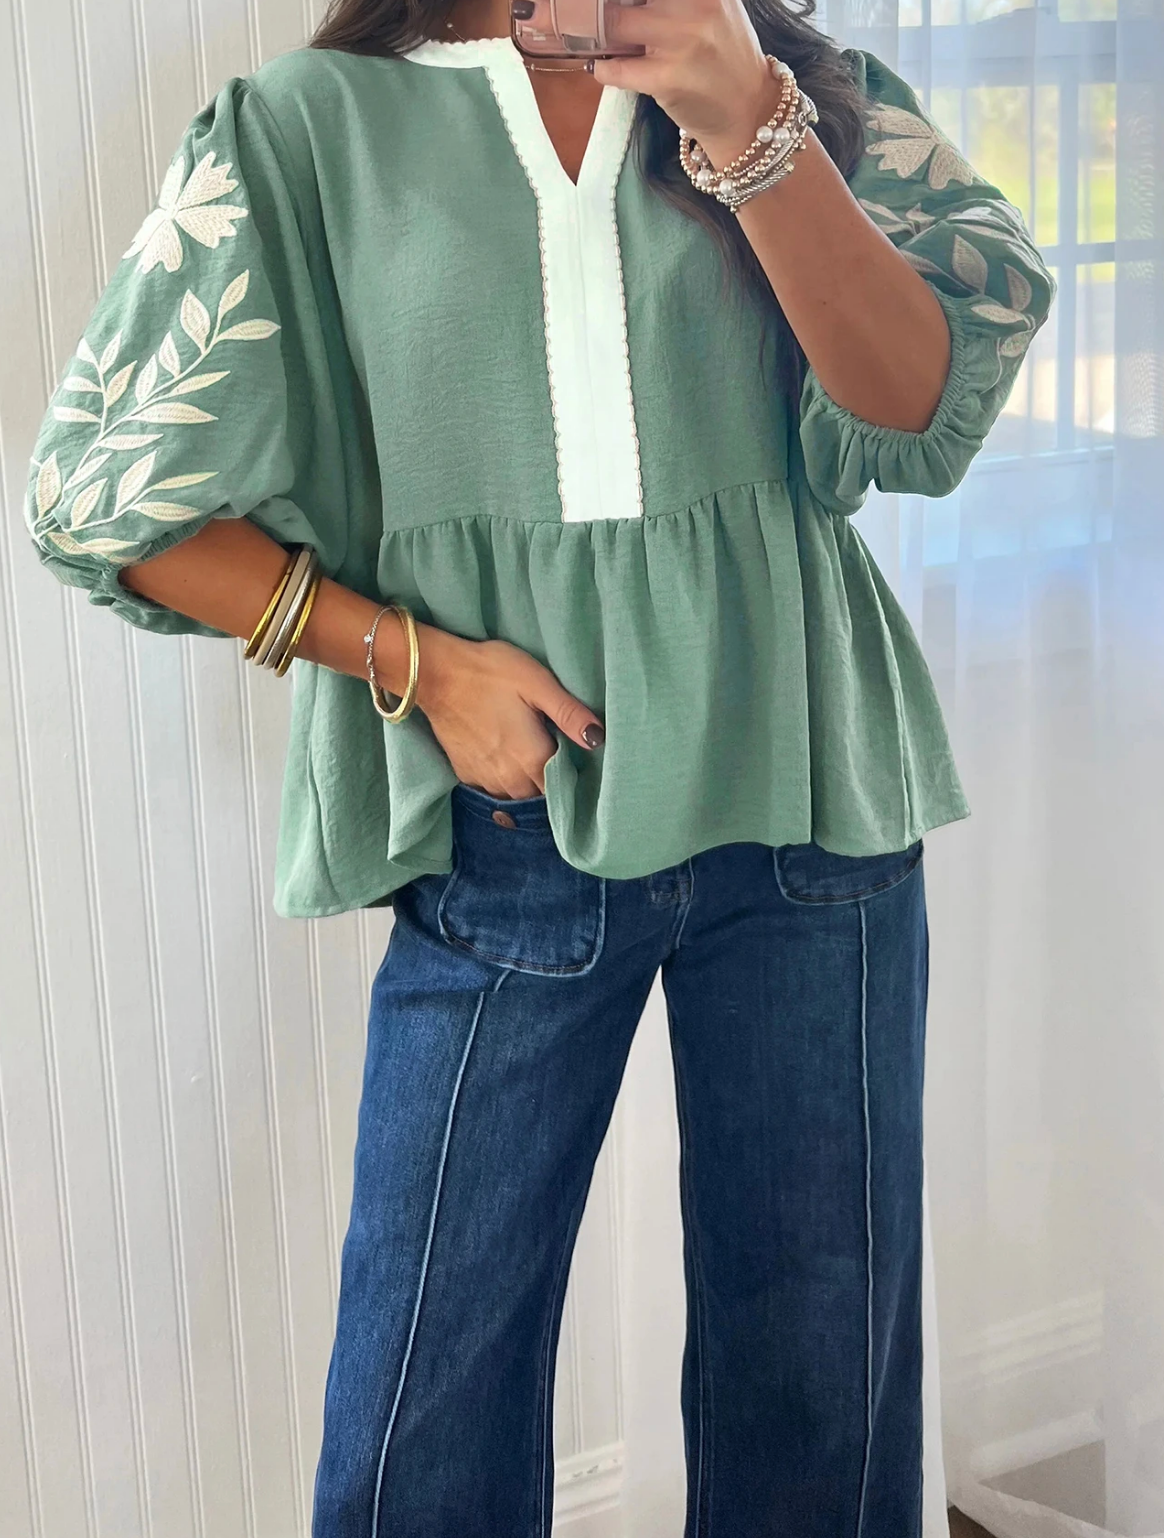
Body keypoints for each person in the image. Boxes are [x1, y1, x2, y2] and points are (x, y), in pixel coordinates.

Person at [23, 0, 1053, 1529]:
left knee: (821, 1399)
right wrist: (422, 663)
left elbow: (916, 416)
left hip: (810, 794)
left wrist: (752, 125)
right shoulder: (310, 130)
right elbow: (103, 499)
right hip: (507, 827)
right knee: (422, 1426)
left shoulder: (784, 83)